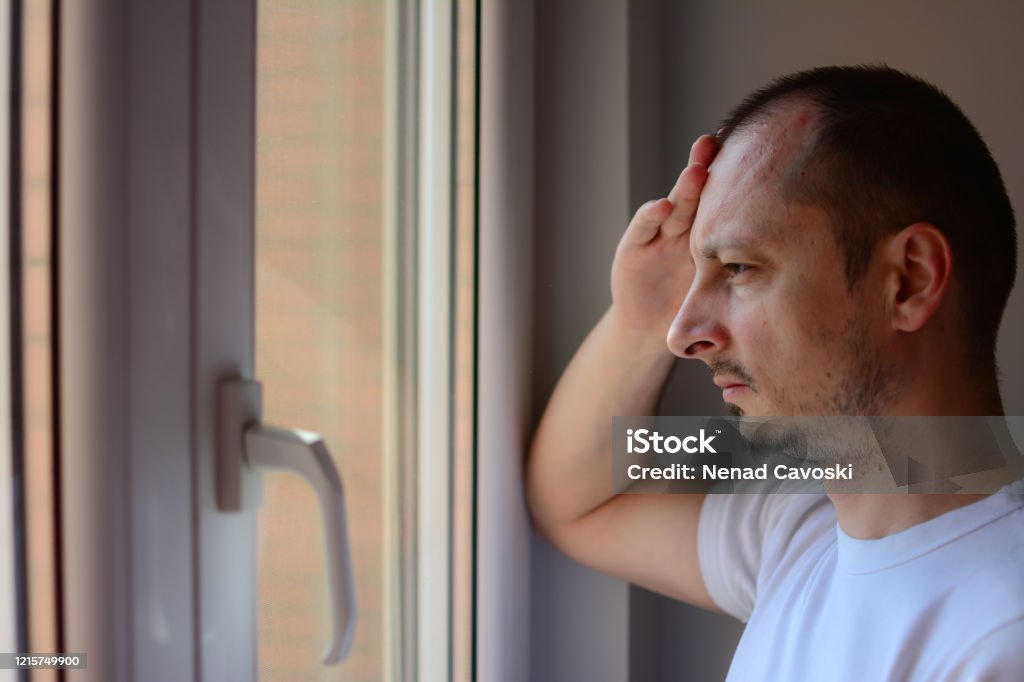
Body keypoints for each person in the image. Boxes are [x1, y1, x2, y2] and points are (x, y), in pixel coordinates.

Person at [526, 65, 1024, 681]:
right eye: (694, 277)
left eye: (737, 268)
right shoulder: (795, 533)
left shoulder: (1001, 637)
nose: (683, 337)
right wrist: (639, 323)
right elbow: (577, 501)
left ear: (909, 281)